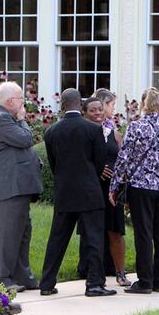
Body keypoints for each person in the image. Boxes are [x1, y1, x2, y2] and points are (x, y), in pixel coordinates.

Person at [39, 88, 115, 297]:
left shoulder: (51, 132)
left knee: (57, 238)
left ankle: (46, 283)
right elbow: (100, 161)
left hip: (65, 191)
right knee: (94, 238)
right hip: (89, 191)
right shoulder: (92, 129)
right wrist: (91, 175)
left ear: (62, 105)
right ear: (80, 105)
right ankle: (94, 284)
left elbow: (53, 164)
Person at [109, 87, 159, 294]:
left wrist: (114, 186)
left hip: (141, 186)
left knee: (144, 233)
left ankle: (145, 280)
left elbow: (124, 158)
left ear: (143, 105)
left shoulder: (136, 127)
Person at [0, 81, 43, 293]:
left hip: (17, 187)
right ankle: (1, 278)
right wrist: (22, 119)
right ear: (10, 101)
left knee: (22, 233)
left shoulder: (6, 118)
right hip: (9, 187)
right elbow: (25, 139)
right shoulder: (1, 119)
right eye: (20, 99)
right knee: (7, 235)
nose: (23, 103)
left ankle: (22, 276)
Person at [93, 88, 130, 285]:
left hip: (113, 186)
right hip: (96, 186)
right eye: (111, 105)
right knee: (95, 230)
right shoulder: (92, 128)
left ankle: (120, 272)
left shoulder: (111, 128)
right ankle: (93, 271)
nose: (113, 109)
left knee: (116, 230)